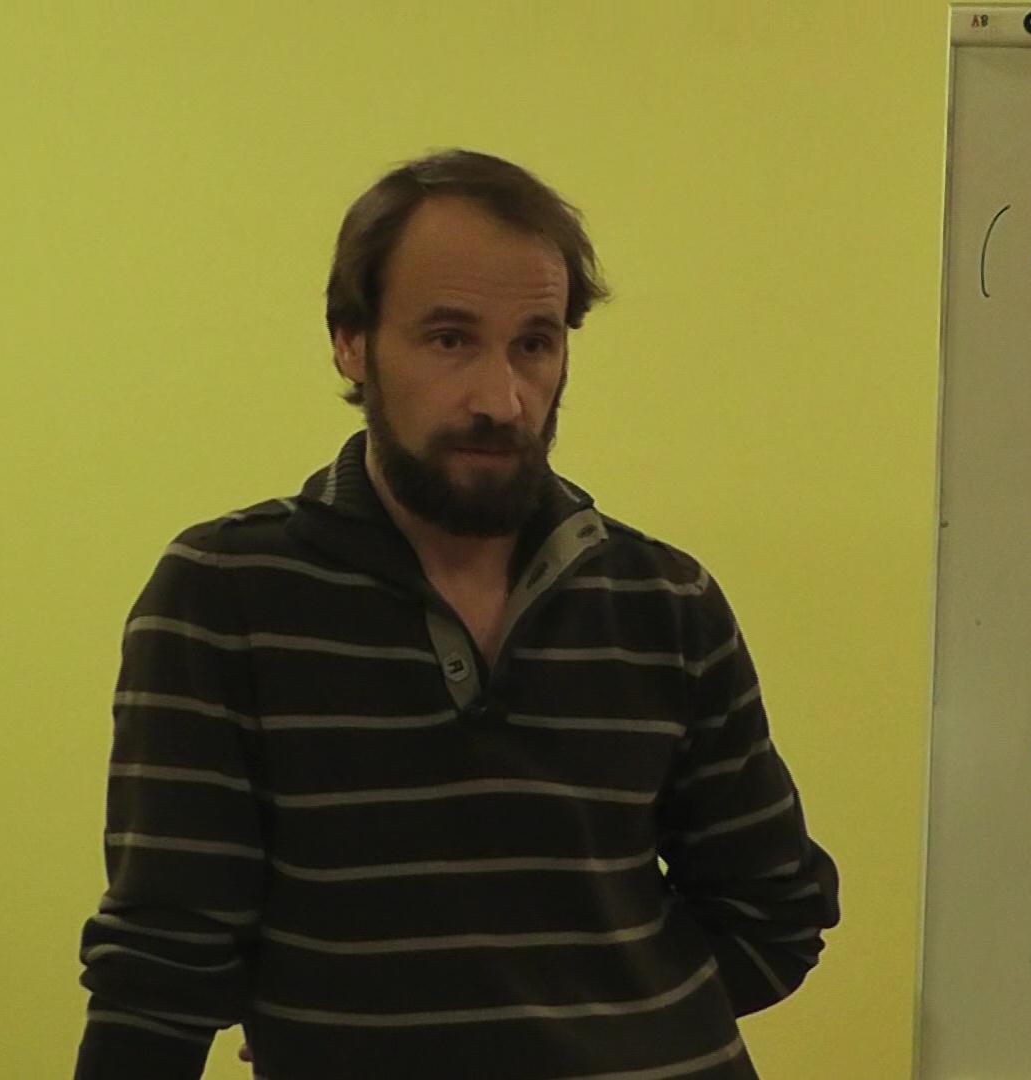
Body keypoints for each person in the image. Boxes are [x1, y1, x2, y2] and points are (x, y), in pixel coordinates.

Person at [73, 149, 841, 1080]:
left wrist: (620, 1021)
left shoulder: (664, 603)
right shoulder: (225, 596)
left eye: (535, 344)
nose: (500, 399)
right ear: (351, 342)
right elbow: (161, 969)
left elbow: (774, 910)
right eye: (449, 340)